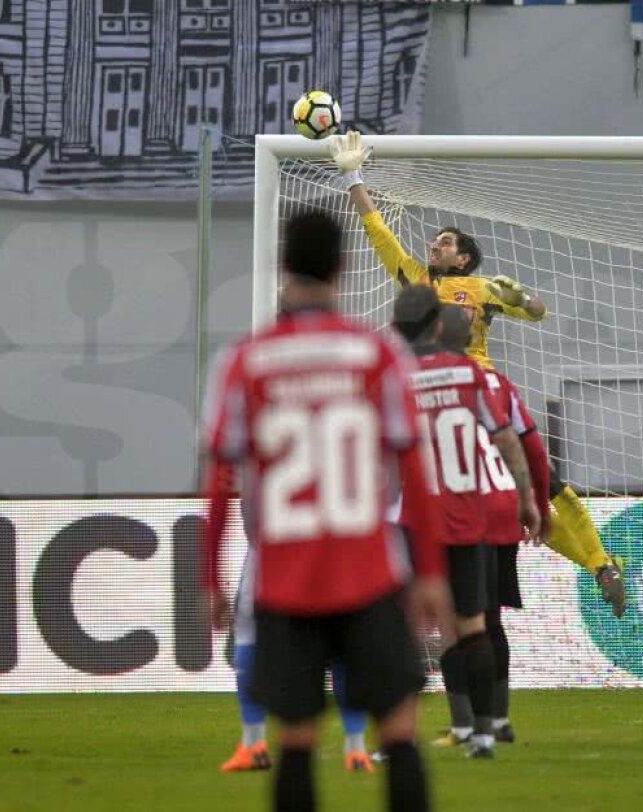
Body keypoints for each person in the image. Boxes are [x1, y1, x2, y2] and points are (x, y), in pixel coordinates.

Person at [201, 209, 453, 812]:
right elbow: (414, 472)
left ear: (285, 264)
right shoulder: (375, 354)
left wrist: (209, 577)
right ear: (343, 266)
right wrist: (432, 574)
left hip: (287, 581)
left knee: (295, 742)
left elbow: (218, 480)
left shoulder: (243, 361)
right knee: (399, 731)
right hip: (369, 573)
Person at [329, 130, 628, 619]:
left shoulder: (481, 287)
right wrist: (352, 176)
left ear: (463, 257)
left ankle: (600, 566)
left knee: (544, 485)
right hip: (436, 401)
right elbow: (377, 230)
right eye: (435, 240)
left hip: (484, 395)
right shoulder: (414, 278)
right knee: (510, 509)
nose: (434, 244)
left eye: (444, 242)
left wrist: (519, 297)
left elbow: (538, 311)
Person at [391, 286, 542, 760]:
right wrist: (529, 498)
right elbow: (511, 439)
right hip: (468, 517)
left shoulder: (397, 377)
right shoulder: (474, 376)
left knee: (411, 631)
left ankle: (403, 737)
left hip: (416, 519)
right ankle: (484, 731)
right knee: (477, 625)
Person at [429, 304, 551, 748]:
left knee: (455, 621)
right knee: (489, 619)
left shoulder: (424, 379)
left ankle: (463, 724)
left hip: (457, 506)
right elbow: (532, 447)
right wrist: (538, 504)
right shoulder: (498, 382)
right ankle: (498, 721)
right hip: (503, 503)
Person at [218, 537, 374, 774]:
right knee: (345, 639)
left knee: (250, 633)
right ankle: (356, 749)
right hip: (339, 548)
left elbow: (249, 519)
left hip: (278, 547)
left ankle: (253, 744)